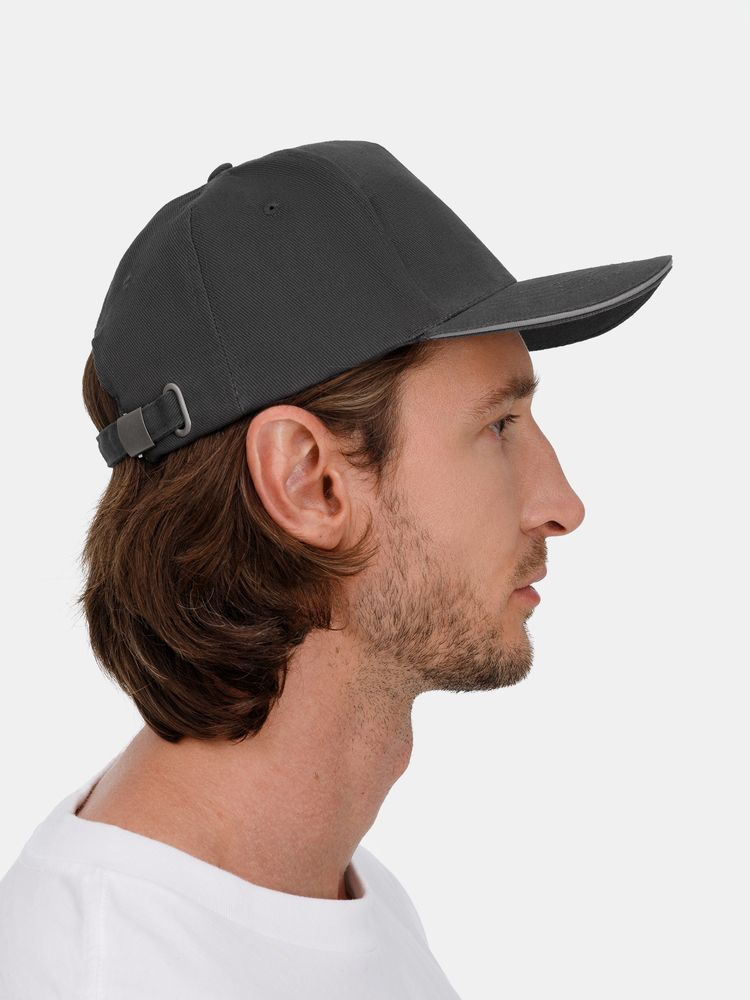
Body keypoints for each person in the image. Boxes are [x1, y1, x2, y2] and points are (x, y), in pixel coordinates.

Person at [0, 139, 672, 998]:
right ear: (308, 481)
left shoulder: (345, 894)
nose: (563, 505)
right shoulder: (106, 974)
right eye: (498, 427)